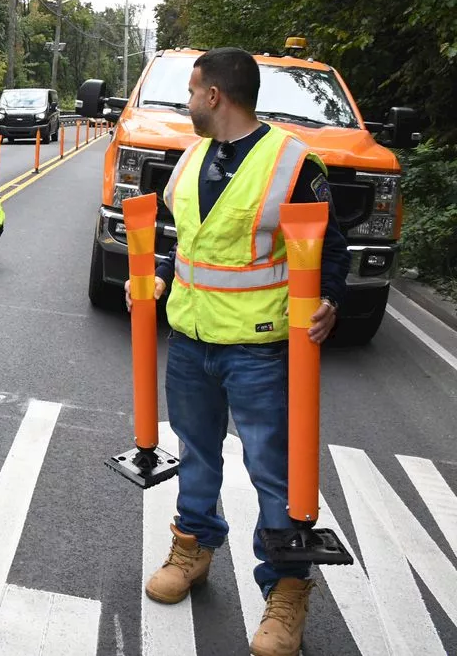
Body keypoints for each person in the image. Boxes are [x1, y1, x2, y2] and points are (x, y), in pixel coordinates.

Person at [127, 49, 349, 656]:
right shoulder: (193, 157)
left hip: (260, 348)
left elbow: (329, 241)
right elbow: (187, 236)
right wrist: (161, 277)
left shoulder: (293, 163)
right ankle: (193, 547)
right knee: (196, 454)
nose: (187, 102)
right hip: (191, 342)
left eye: (191, 91)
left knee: (274, 474)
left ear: (216, 96)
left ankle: (286, 590)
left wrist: (329, 296)